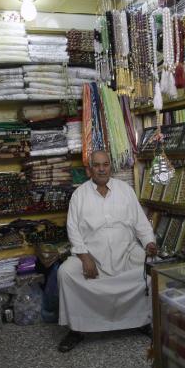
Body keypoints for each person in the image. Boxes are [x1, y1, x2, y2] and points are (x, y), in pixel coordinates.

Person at [57, 150, 157, 352]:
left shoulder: (125, 190)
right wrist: (85, 258)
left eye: (105, 164)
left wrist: (149, 243)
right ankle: (77, 328)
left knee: (153, 268)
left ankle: (143, 320)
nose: (102, 169)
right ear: (89, 169)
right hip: (93, 257)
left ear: (111, 166)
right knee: (65, 273)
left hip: (126, 252)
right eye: (97, 165)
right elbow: (73, 230)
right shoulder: (79, 195)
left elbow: (141, 223)